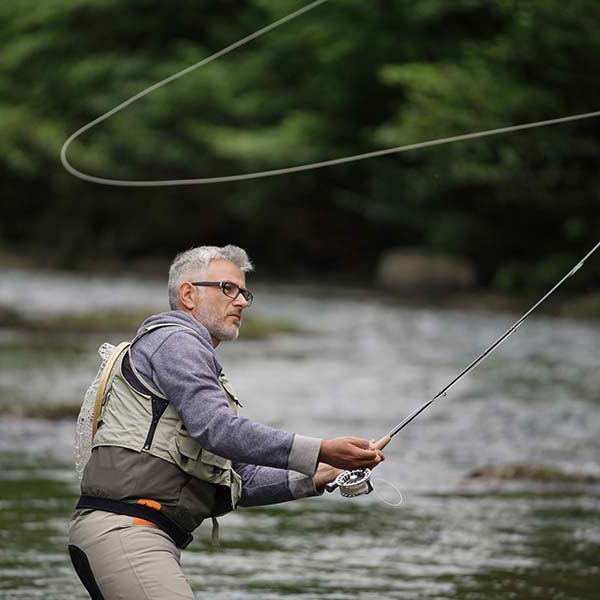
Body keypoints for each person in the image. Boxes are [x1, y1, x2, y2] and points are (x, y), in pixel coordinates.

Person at [68, 244, 384, 600]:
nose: (242, 301)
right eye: (227, 289)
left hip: (136, 535)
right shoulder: (176, 340)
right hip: (126, 532)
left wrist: (319, 473)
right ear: (188, 294)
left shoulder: (188, 356)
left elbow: (237, 481)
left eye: (244, 292)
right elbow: (217, 429)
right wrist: (320, 449)